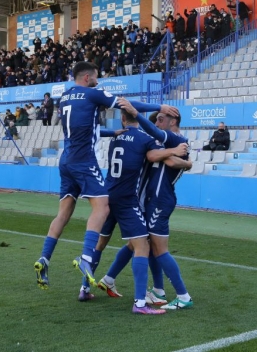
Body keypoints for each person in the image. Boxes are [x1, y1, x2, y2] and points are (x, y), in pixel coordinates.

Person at [33, 61, 179, 291]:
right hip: (84, 161)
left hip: (66, 160)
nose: (98, 81)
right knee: (102, 208)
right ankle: (86, 258)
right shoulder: (93, 93)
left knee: (63, 213)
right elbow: (126, 105)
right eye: (95, 77)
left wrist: (113, 132)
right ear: (86, 78)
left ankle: (44, 258)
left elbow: (87, 128)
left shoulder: (65, 97)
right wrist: (159, 106)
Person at [79, 108, 187, 313]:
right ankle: (141, 302)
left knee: (100, 245)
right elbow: (154, 156)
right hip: (128, 199)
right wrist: (175, 152)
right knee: (143, 246)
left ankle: (86, 287)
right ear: (138, 118)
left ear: (122, 118)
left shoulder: (116, 138)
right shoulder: (143, 139)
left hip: (107, 195)